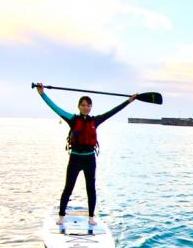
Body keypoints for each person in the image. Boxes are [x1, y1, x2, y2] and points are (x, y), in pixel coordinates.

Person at [36, 83, 138, 226]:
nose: (86, 107)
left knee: (91, 187)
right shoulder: (72, 119)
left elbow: (113, 111)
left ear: (91, 107)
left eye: (88, 105)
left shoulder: (95, 120)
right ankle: (61, 216)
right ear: (79, 106)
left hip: (90, 158)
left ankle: (91, 216)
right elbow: (55, 107)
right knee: (68, 187)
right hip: (75, 158)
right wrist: (42, 94)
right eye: (83, 105)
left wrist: (129, 101)